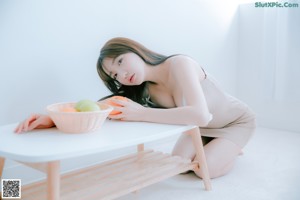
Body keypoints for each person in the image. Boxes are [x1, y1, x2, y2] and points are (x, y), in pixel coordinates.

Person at [15, 37, 256, 179]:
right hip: (199, 128)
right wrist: (54, 119)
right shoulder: (142, 88)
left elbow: (202, 114)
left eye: (120, 62)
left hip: (234, 122)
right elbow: (101, 107)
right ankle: (214, 145)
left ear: (134, 50)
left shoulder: (179, 64)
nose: (122, 74)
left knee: (204, 170)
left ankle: (233, 147)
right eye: (115, 74)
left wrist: (140, 113)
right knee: (180, 165)